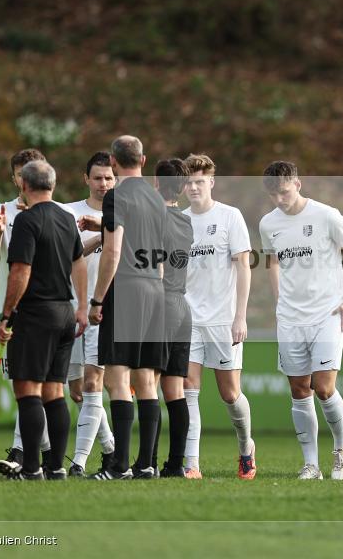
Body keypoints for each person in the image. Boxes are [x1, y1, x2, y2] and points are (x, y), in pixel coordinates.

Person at [259, 161, 343, 480]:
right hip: (291, 317)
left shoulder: (326, 215)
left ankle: (341, 449)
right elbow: (273, 261)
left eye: (284, 192)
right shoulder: (268, 223)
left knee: (323, 387)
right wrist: (279, 300)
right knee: (298, 388)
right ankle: (311, 464)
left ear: (298, 184)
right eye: (273, 194)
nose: (279, 199)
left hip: (327, 314)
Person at [0, 159, 88, 480]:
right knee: (54, 393)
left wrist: (7, 315)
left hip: (35, 314)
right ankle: (56, 468)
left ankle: (32, 468)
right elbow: (79, 263)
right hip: (64, 312)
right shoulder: (67, 218)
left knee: (28, 391)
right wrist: (81, 307)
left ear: (23, 185)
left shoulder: (26, 220)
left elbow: (20, 271)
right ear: (53, 184)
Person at [88, 135, 166, 480]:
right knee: (146, 380)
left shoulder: (116, 196)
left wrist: (97, 299)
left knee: (117, 378)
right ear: (143, 160)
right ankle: (146, 464)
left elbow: (113, 250)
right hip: (155, 289)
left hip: (127, 289)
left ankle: (119, 466)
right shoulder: (157, 198)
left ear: (113, 162)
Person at [181, 154, 255, 480]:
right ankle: (192, 464)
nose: (194, 187)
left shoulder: (229, 216)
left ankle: (246, 448)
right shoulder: (179, 220)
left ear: (211, 181)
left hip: (223, 320)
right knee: (189, 388)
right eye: (189, 182)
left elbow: (244, 267)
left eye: (200, 181)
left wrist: (240, 317)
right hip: (187, 320)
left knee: (230, 394)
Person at [0, 149, 54, 475]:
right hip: (12, 308)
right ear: (15, 178)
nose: (25, 177)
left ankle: (23, 453)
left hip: (45, 308)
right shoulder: (1, 210)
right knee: (28, 386)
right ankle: (45, 454)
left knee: (45, 387)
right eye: (20, 172)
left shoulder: (56, 211)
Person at [65, 152, 117, 478]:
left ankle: (78, 462)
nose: (103, 183)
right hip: (73, 307)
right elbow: (66, 255)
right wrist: (100, 236)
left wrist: (108, 232)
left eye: (109, 177)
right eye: (97, 177)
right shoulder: (70, 213)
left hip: (105, 309)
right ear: (86, 179)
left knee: (93, 382)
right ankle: (110, 449)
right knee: (76, 391)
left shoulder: (123, 216)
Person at [153, 158, 193, 477]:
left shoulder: (155, 218)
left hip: (161, 304)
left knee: (148, 385)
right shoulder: (186, 221)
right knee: (175, 391)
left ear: (156, 182)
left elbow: (156, 265)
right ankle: (176, 465)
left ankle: (147, 462)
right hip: (182, 306)